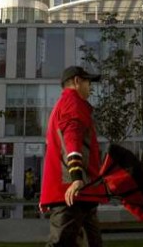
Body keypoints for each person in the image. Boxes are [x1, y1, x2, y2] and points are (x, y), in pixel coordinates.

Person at [40, 66, 106, 247]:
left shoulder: (62, 105)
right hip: (73, 192)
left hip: (80, 192)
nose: (90, 86)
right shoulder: (73, 102)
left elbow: (55, 150)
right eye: (87, 81)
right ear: (77, 81)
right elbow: (72, 137)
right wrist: (76, 178)